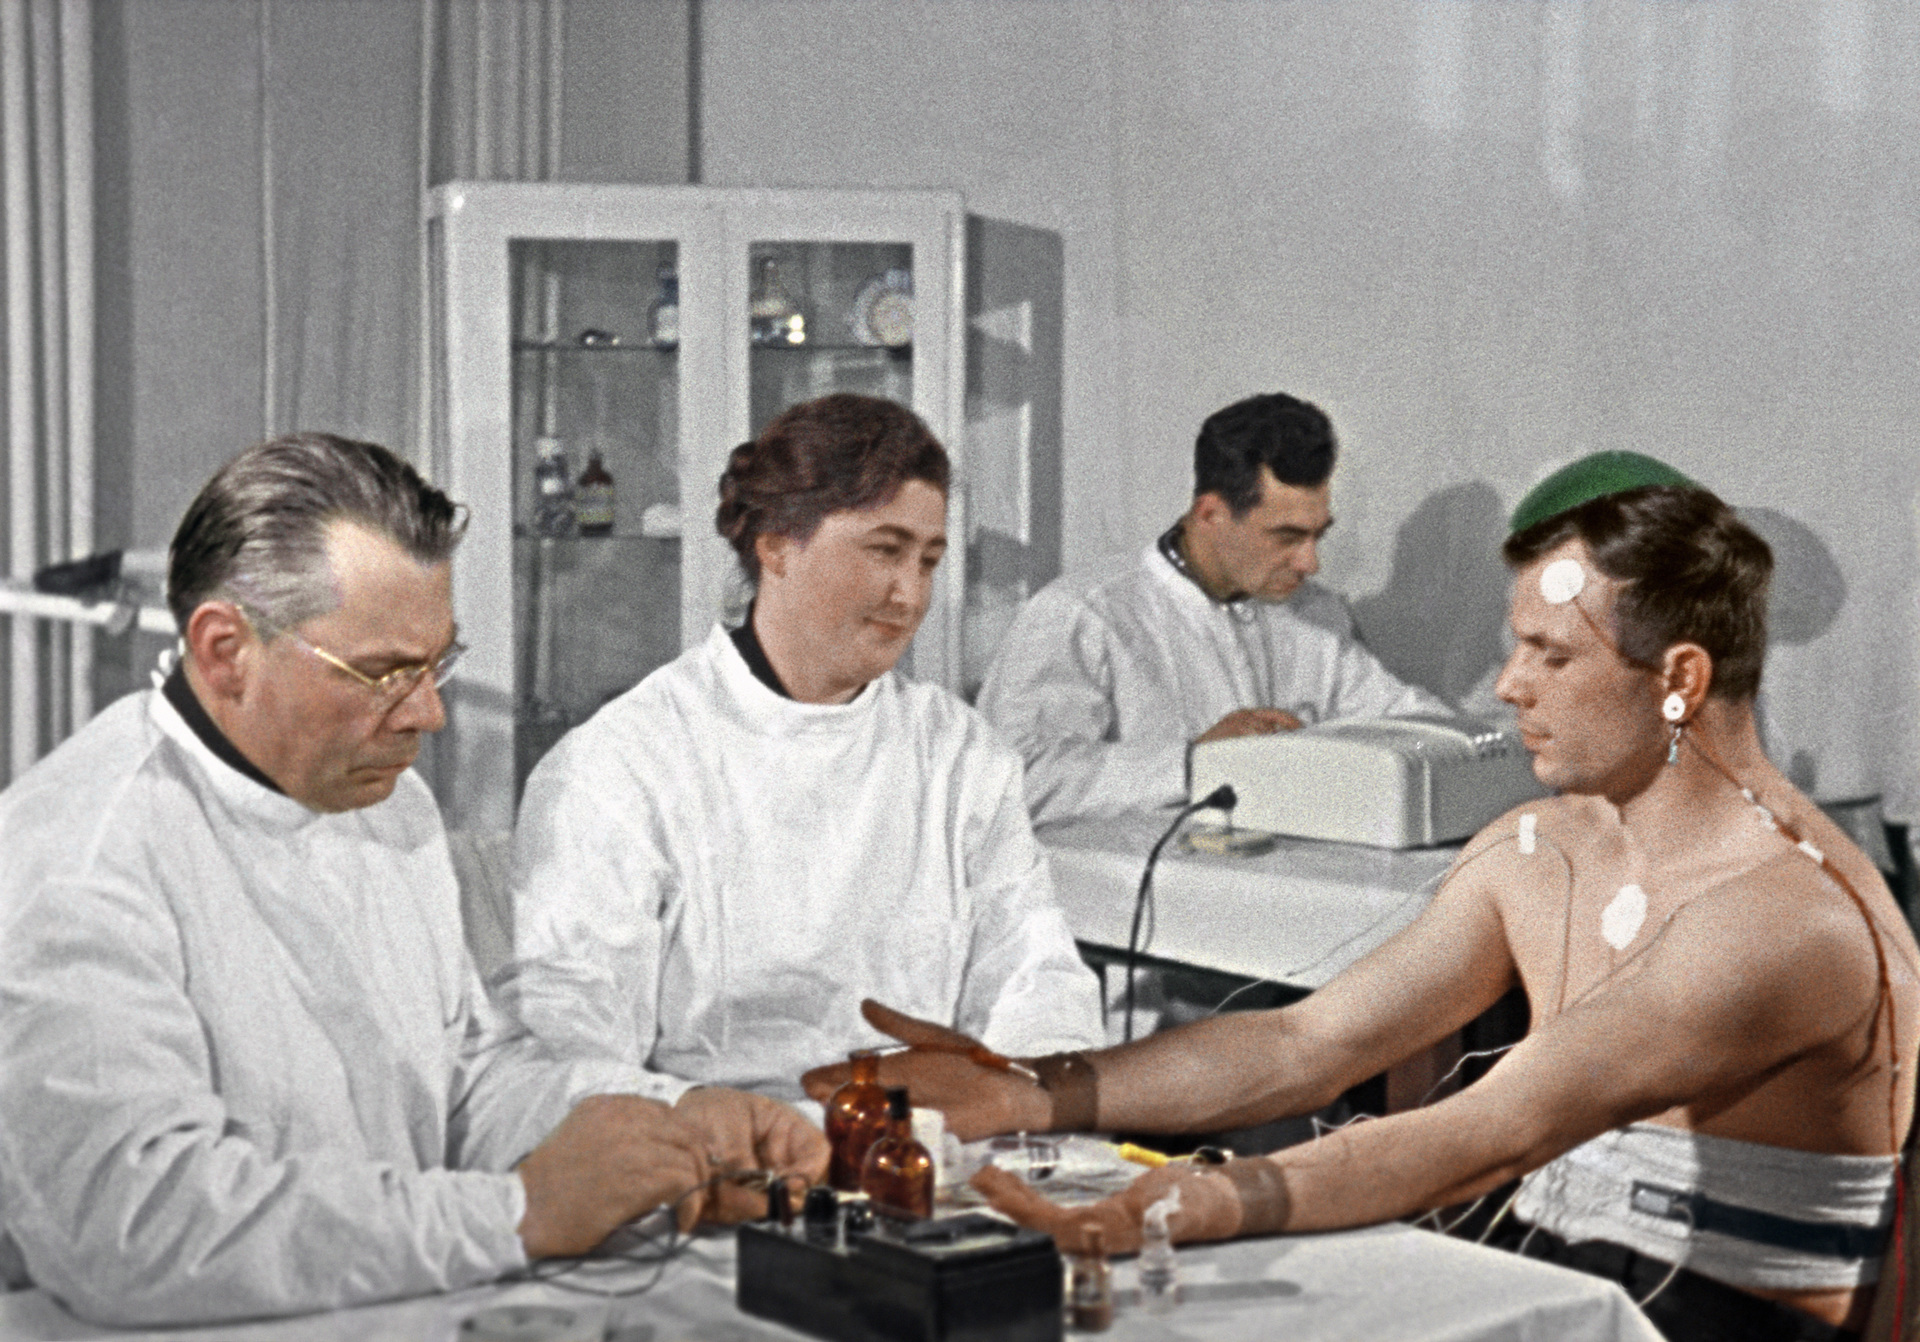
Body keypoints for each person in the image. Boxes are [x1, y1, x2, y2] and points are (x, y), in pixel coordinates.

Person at [807, 452, 1919, 1342]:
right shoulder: (1544, 846)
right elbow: (1308, 1044)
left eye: (1549, 656)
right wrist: (1033, 1091)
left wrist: (1201, 1198)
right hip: (1551, 1282)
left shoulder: (1782, 913)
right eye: (1514, 647)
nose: (1506, 685)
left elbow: (1493, 1129)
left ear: (1679, 678)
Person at [0, 434, 824, 1327]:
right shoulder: (81, 857)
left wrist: (674, 1124)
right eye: (385, 673)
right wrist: (517, 1214)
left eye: (436, 665)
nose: (428, 713)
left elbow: (464, 1081)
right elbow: (134, 1230)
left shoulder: (384, 806)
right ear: (226, 649)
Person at [494, 393, 1103, 1108]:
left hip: (931, 1139)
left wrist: (1026, 1101)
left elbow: (1036, 979)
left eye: (929, 560)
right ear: (777, 544)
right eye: (885, 551)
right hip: (720, 1145)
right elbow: (571, 1033)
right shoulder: (624, 762)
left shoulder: (957, 752)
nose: (910, 595)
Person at [976, 390, 1452, 826]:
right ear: (1210, 515)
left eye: (1317, 535)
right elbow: (1008, 782)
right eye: (1286, 537)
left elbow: (1410, 723)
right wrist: (1195, 763)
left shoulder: (1316, 615)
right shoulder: (1083, 614)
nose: (1310, 563)